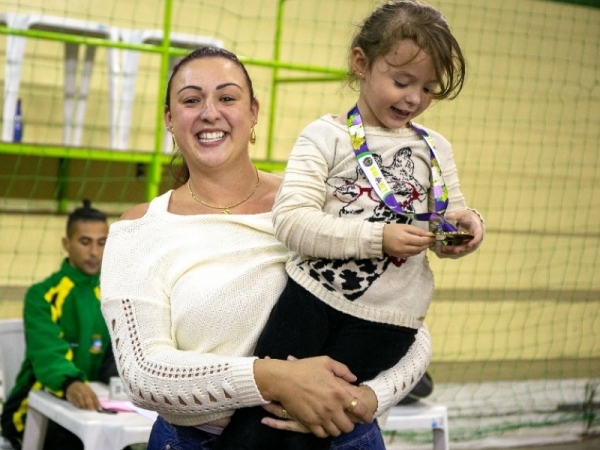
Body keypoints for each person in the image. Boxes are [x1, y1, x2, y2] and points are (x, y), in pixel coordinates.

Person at [99, 45, 434, 450]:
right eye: (191, 100)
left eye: (227, 97)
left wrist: (371, 398)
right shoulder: (140, 230)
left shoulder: (319, 206)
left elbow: (405, 323)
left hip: (340, 436)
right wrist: (272, 378)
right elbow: (143, 374)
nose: (210, 112)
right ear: (170, 118)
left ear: (253, 111)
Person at [216, 1, 485, 449]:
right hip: (311, 301)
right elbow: (292, 222)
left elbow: (451, 211)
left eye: (429, 88)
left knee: (323, 423)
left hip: (388, 321)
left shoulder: (436, 147)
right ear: (361, 63)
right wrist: (378, 237)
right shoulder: (324, 136)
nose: (414, 99)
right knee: (260, 421)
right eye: (401, 82)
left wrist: (468, 226)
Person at [0, 199, 116, 450]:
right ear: (67, 244)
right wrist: (70, 383)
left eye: (102, 242)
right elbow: (46, 351)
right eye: (85, 242)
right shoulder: (42, 294)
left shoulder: (112, 295)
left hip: (93, 409)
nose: (94, 252)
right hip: (32, 407)